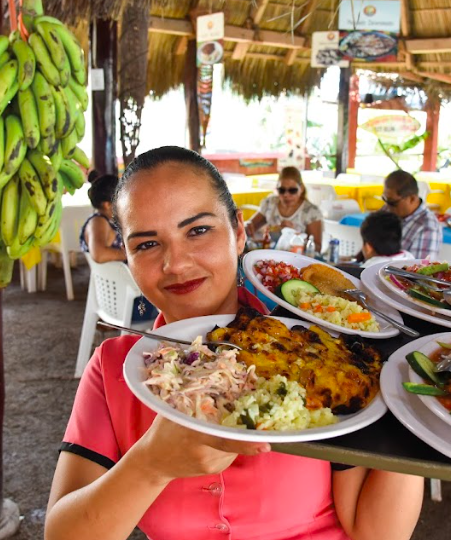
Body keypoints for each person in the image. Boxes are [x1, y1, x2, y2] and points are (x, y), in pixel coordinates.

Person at [46, 146, 424, 540]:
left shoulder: (324, 357)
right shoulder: (115, 370)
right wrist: (150, 465)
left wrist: (409, 400)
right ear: (125, 256)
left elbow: (377, 533)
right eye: (146, 244)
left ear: (239, 232)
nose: (175, 263)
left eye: (197, 230)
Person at [79, 170, 157, 321]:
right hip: (130, 306)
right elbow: (99, 254)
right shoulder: (98, 222)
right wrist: (133, 254)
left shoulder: (109, 222)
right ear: (108, 205)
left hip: (125, 300)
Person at [244, 166, 323, 249]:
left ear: (301, 189)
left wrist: (293, 235)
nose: (286, 195)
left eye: (292, 190)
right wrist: (247, 225)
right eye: (281, 190)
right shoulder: (270, 203)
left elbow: (317, 247)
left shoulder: (311, 212)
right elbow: (250, 226)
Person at [381, 170, 442, 260]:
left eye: (393, 202)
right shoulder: (388, 209)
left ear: (412, 199)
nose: (388, 206)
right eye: (385, 199)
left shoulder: (428, 228)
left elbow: (420, 270)